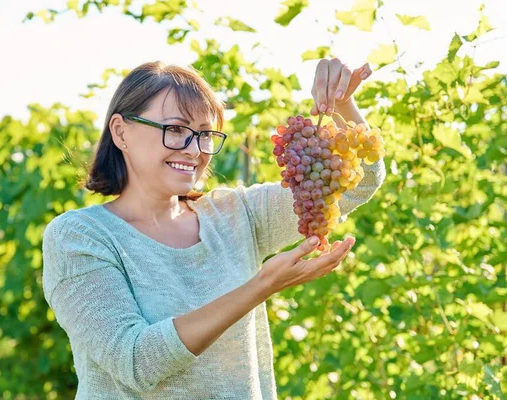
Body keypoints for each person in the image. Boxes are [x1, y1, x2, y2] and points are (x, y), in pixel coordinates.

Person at [41, 58, 385, 399]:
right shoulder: (80, 236)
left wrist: (341, 103)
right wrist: (262, 286)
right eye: (175, 130)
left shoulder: (235, 215)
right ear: (121, 131)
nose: (194, 150)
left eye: (205, 135)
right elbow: (136, 362)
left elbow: (359, 181)